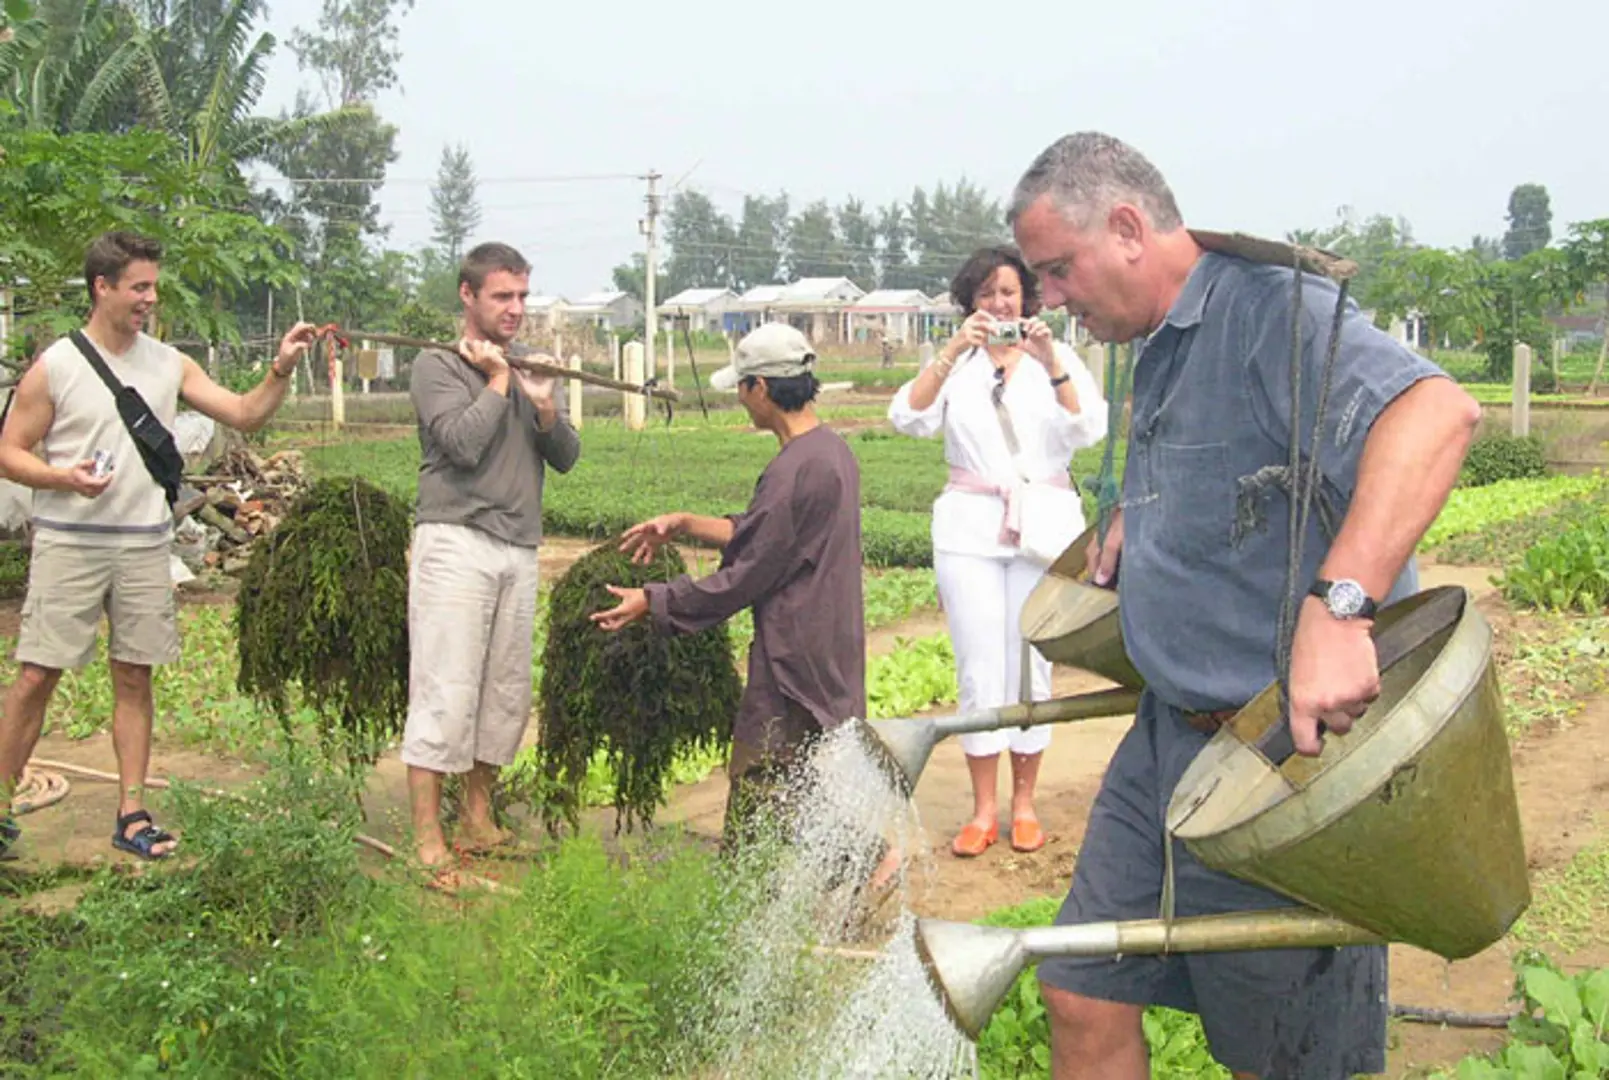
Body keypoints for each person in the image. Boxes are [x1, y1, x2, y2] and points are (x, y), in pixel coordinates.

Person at [1006, 132, 1482, 1080]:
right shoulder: (1158, 343)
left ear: (1129, 227)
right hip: (1166, 743)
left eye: (1059, 270)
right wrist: (1141, 521)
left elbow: (1435, 415)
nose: (1050, 298)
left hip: (1281, 768)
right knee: (1079, 987)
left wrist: (1339, 608)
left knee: (1283, 1058)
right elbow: (1231, 471)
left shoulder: (1274, 312)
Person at [0, 230, 318, 861]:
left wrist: (280, 367)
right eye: (139, 286)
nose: (150, 297)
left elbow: (246, 414)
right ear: (103, 287)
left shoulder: (169, 363)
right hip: (71, 541)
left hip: (145, 544)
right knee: (38, 675)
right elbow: (9, 452)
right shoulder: (58, 365)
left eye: (153, 285)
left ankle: (133, 812)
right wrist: (63, 478)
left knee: (134, 675)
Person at [590, 322, 870, 854]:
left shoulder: (796, 470)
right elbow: (769, 538)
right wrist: (688, 522)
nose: (741, 402)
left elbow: (746, 575)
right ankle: (851, 867)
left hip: (794, 660)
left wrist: (653, 600)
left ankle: (773, 888)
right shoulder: (829, 452)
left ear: (759, 388)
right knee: (817, 776)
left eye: (742, 389)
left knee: (765, 776)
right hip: (826, 646)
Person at [888, 246, 1107, 858]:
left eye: (1008, 293)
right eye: (986, 294)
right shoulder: (958, 366)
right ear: (970, 302)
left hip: (1042, 526)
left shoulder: (1053, 360)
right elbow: (907, 415)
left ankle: (1025, 804)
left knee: (1030, 662)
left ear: (1028, 299)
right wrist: (955, 350)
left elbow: (1088, 429)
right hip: (970, 531)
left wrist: (1050, 361)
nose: (999, 304)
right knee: (980, 667)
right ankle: (983, 808)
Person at [402, 241, 580, 883]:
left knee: (503, 693)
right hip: (456, 541)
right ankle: (427, 835)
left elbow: (564, 455)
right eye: (503, 296)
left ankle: (477, 817)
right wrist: (500, 381)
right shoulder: (437, 366)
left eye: (523, 296)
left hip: (519, 544)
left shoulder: (528, 364)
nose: (516, 308)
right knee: (445, 688)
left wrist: (543, 403)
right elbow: (460, 444)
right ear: (468, 295)